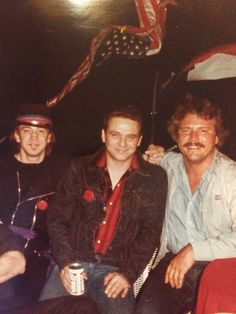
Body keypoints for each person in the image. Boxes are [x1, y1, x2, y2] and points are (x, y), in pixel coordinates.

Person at [39, 105, 167, 314]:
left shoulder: (154, 178)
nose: (122, 144)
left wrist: (127, 274)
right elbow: (57, 219)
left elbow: (150, 232)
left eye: (130, 137)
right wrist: (65, 263)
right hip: (75, 262)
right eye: (115, 135)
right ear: (103, 135)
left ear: (140, 140)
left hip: (115, 270)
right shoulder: (79, 168)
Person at [135, 93, 236, 314]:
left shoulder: (231, 177)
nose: (193, 138)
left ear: (217, 137)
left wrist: (193, 251)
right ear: (176, 137)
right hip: (173, 262)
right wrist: (151, 155)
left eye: (203, 130)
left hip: (220, 264)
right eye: (186, 130)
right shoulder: (168, 165)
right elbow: (136, 158)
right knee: (146, 312)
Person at [0, 103, 71, 311]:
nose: (34, 139)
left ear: (49, 137)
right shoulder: (1, 168)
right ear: (16, 135)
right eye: (27, 131)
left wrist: (151, 156)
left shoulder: (64, 168)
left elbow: (111, 158)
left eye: (41, 132)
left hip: (36, 258)